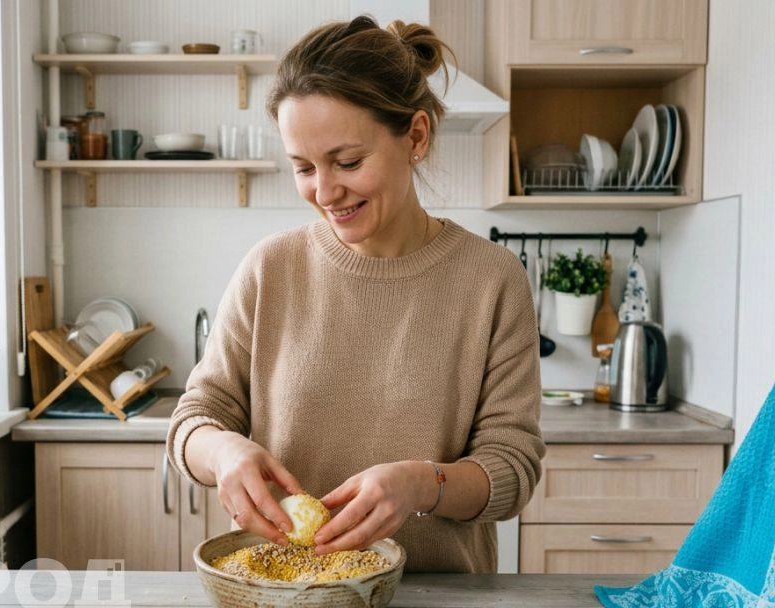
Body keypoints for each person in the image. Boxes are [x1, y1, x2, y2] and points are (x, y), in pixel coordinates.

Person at [166, 15, 544, 573]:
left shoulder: (492, 280)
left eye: (348, 162)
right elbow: (194, 417)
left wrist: (423, 484)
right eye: (303, 168)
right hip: (285, 605)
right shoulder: (271, 269)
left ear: (415, 136)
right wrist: (221, 452)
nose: (325, 191)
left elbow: (512, 468)